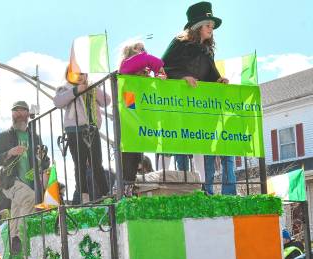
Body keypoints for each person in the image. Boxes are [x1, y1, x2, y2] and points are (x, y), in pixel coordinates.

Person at [162, 1, 233, 195]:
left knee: (203, 145)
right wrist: (183, 76)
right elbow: (164, 67)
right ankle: (182, 189)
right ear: (197, 26)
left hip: (199, 107)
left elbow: (210, 75)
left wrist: (219, 81)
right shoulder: (180, 43)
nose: (212, 29)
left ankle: (205, 190)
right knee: (180, 146)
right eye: (208, 25)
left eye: (212, 26)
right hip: (179, 104)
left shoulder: (207, 50)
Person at [0, 101, 49, 251]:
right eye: (15, 111)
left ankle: (13, 245)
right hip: (10, 181)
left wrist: (42, 159)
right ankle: (22, 238)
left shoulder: (34, 137)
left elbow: (44, 162)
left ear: (27, 114)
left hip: (30, 182)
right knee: (30, 198)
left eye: (22, 111)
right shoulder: (4, 136)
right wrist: (10, 152)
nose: (18, 114)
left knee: (16, 213)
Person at [53, 72, 110, 203]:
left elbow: (107, 101)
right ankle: (83, 195)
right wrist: (75, 90)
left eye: (83, 73)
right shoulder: (65, 88)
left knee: (97, 163)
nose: (80, 76)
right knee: (80, 164)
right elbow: (58, 102)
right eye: (76, 73)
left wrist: (93, 87)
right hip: (74, 130)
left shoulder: (92, 88)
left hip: (91, 129)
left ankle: (105, 193)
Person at [118, 40, 166, 184]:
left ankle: (132, 189)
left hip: (141, 123)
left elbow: (153, 96)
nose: (143, 51)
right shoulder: (125, 69)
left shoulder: (146, 76)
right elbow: (130, 104)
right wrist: (158, 66)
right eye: (138, 49)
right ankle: (126, 189)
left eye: (144, 49)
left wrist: (159, 80)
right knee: (129, 158)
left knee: (137, 157)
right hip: (129, 120)